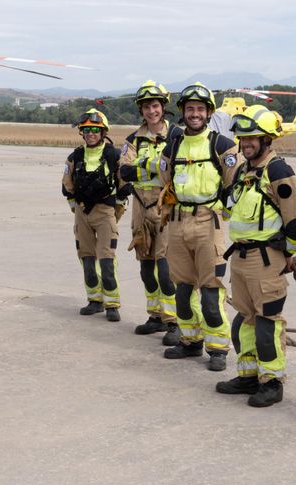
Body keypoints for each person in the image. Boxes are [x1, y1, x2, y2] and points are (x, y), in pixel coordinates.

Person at [214, 105, 296, 407]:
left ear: (268, 139)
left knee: (268, 324)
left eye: (253, 138)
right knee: (244, 321)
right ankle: (248, 376)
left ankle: (272, 383)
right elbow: (230, 210)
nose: (246, 143)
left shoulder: (278, 171)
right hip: (240, 258)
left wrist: (287, 257)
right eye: (243, 138)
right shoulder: (243, 171)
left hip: (266, 259)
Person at [157, 82, 239, 371]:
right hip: (178, 222)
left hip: (208, 223)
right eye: (190, 109)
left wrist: (223, 213)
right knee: (181, 289)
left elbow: (234, 183)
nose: (194, 114)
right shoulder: (174, 145)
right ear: (183, 112)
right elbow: (164, 176)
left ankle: (217, 348)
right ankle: (190, 341)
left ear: (208, 113)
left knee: (210, 291)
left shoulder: (222, 145)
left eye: (200, 109)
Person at [119, 81, 181, 340]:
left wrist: (143, 166)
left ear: (163, 107)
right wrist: (156, 166)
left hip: (166, 208)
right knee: (146, 267)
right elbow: (124, 170)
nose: (151, 111)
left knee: (166, 270)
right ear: (141, 111)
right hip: (140, 208)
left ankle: (175, 321)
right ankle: (155, 315)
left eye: (155, 106)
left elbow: (177, 170)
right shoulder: (133, 139)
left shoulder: (178, 135)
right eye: (146, 107)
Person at [63, 109, 130, 321]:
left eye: (95, 130)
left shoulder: (114, 156)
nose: (91, 134)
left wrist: (113, 211)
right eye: (87, 130)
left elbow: (124, 187)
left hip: (105, 212)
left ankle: (112, 304)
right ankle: (94, 300)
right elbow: (67, 186)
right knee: (87, 258)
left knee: (107, 260)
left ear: (103, 132)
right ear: (82, 133)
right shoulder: (75, 157)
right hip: (82, 212)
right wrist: (77, 209)